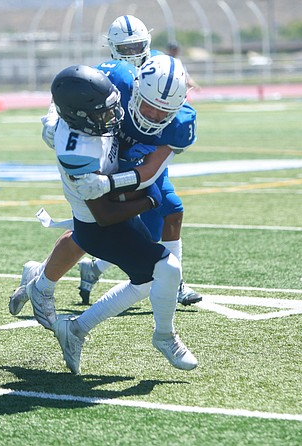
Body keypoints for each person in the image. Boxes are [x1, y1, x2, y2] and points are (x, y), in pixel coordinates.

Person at [33, 64, 197, 374]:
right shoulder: (79, 149)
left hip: (112, 203)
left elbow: (71, 86)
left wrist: (116, 185)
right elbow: (105, 215)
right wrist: (148, 199)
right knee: (165, 269)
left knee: (147, 279)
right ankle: (163, 335)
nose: (113, 117)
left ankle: (74, 325)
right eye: (102, 113)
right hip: (99, 223)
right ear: (80, 117)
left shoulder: (109, 96)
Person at [78, 32, 202, 306]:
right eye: (125, 46)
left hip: (141, 166)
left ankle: (98, 268)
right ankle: (42, 279)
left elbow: (154, 166)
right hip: (110, 160)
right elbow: (73, 87)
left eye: (165, 111)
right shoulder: (118, 79)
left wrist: (112, 185)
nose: (155, 116)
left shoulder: (178, 118)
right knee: (89, 229)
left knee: (163, 217)